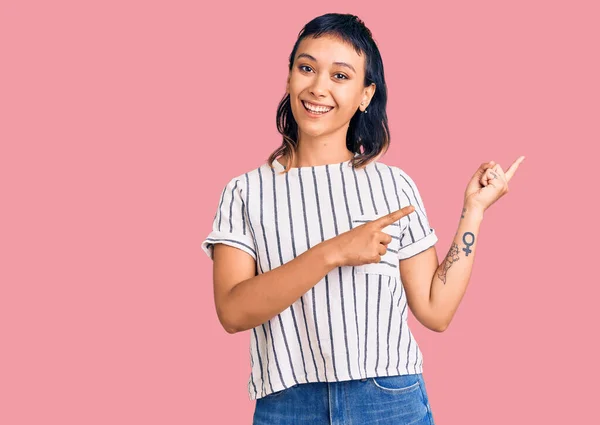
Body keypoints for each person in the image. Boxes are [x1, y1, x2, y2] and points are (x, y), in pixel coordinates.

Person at [201, 13, 524, 425]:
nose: (318, 87)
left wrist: (473, 212)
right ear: (288, 77)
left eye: (340, 75)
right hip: (288, 403)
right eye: (306, 68)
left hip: (389, 399)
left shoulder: (393, 185)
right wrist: (333, 252)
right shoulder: (245, 192)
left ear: (365, 94)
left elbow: (434, 310)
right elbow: (232, 311)